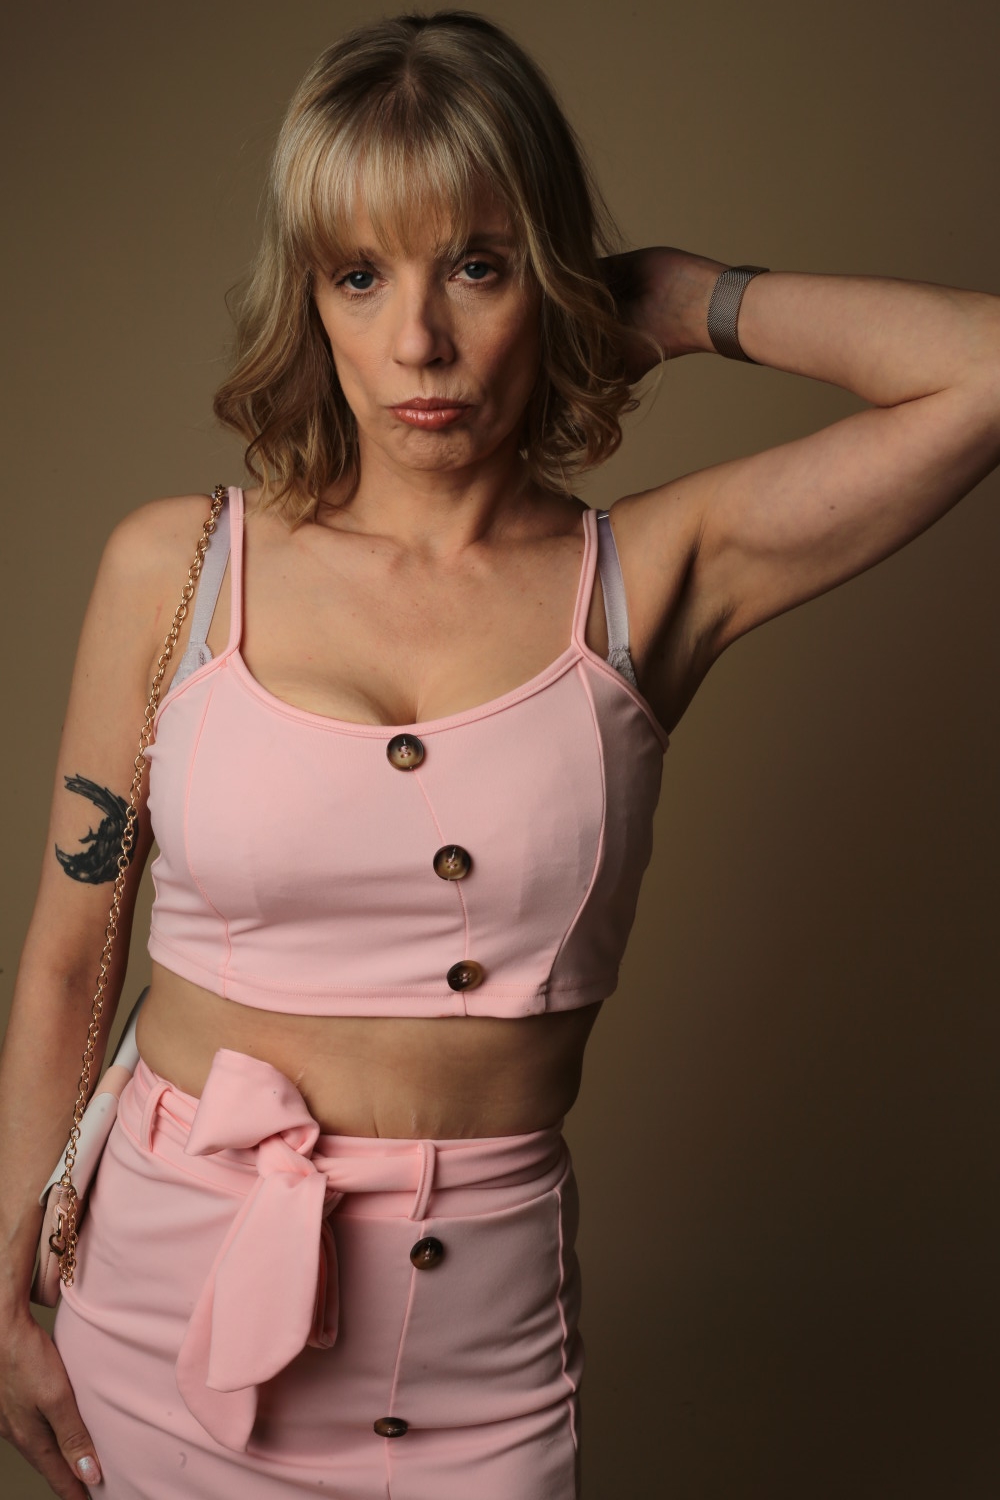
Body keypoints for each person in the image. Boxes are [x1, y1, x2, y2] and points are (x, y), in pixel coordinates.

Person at [1, 10, 998, 1499]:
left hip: (482, 1359)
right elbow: (68, 960)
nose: (419, 341)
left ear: (549, 277)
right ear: (310, 299)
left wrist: (679, 297)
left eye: (478, 264)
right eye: (360, 274)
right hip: (161, 1313)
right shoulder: (178, 569)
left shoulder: (648, 579)